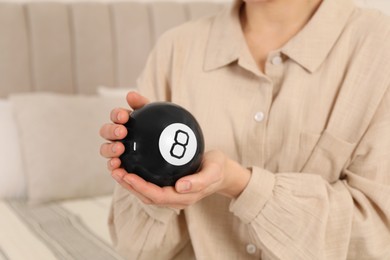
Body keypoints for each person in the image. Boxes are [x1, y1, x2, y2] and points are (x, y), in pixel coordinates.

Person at [99, 0, 390, 259]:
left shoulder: (379, 48)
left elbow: (379, 237)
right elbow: (134, 248)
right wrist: (149, 183)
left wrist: (242, 186)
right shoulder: (176, 49)